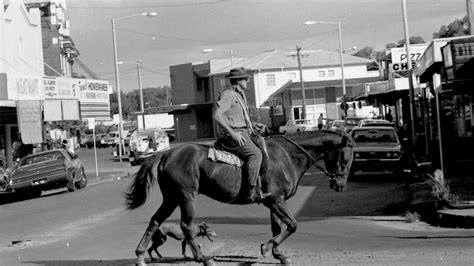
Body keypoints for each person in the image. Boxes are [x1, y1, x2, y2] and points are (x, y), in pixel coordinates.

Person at [213, 67, 272, 202]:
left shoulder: (239, 95)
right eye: (246, 79)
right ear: (239, 81)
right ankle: (250, 190)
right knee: (256, 154)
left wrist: (254, 124)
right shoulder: (228, 94)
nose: (247, 81)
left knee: (264, 148)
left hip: (243, 130)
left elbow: (239, 117)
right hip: (234, 134)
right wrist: (233, 134)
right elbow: (216, 115)